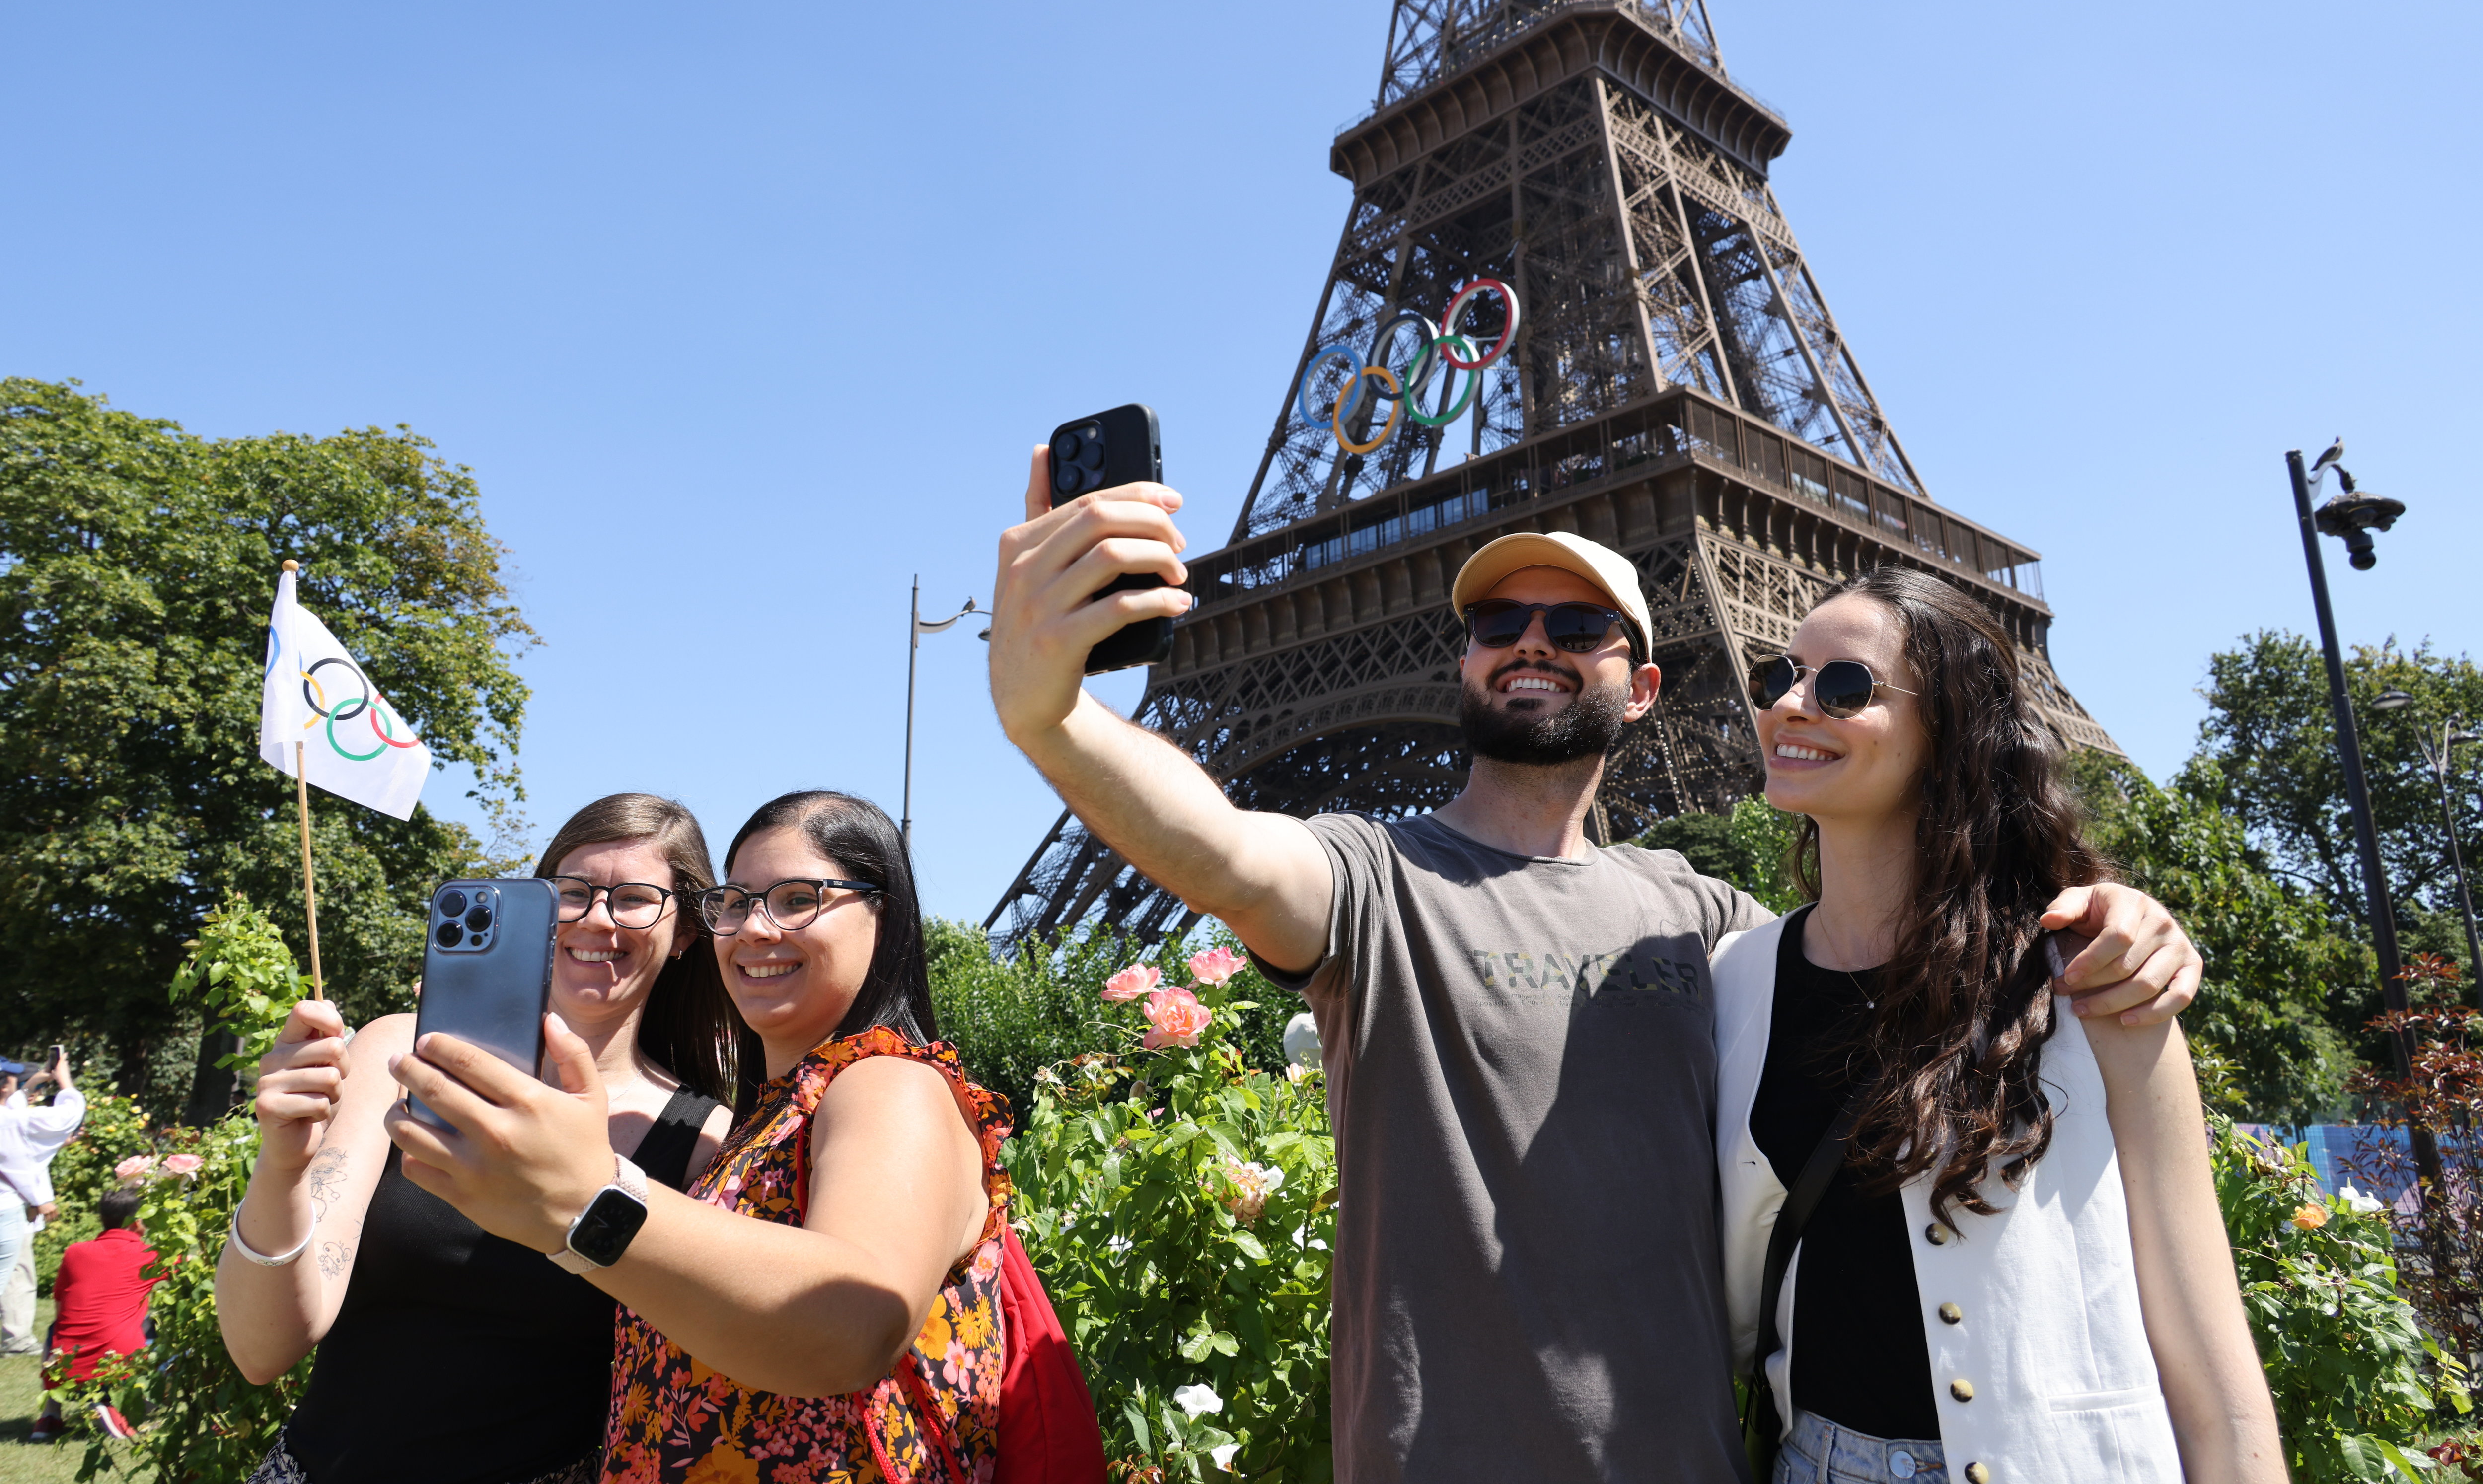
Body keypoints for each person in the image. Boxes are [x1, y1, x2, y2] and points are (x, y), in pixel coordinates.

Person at [985, 451, 2205, 1484]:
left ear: (1644, 686)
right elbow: (1225, 853)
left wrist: (2113, 917)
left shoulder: (1709, 921)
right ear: (1461, 661)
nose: (1532, 644)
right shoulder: (1371, 881)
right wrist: (1055, 718)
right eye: (1496, 624)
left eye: (1576, 628)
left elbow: (1894, 948)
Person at [1713, 567, 2284, 1484]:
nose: (1792, 704)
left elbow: (2210, 1356)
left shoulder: (2092, 977)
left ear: (1951, 732)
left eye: (1844, 685)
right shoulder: (1733, 981)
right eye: (1777, 678)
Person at [385, 790, 1013, 1484]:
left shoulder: (890, 1081)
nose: (756, 928)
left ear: (883, 914)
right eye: (737, 903)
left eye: (799, 897)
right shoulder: (770, 1120)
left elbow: (856, 1321)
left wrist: (589, 1198)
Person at [217, 793, 742, 1484]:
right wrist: (283, 1162)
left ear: (684, 933)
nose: (596, 918)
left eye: (636, 898)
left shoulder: (705, 1140)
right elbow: (262, 1349)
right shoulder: (399, 1053)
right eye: (573, 892)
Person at [29, 1186, 164, 1441]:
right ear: (138, 1222)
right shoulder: (148, 1255)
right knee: (155, 1327)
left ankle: (50, 1415)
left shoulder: (75, 1252)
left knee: (54, 1329)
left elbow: (60, 1309)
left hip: (65, 1363)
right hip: (117, 1359)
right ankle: (120, 1407)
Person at [0, 1049, 84, 1356]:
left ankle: (16, 1336)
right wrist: (65, 1082)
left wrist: (28, 1086)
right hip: (6, 1208)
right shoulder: (11, 1121)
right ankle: (17, 1338)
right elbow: (68, 1116)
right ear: (3, 1086)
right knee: (18, 1272)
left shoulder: (10, 1115)